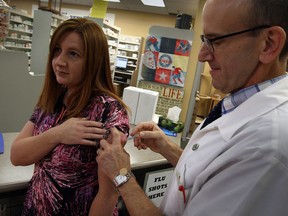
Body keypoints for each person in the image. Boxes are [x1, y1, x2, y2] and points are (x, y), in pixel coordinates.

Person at [94, 0, 288, 215]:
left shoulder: (264, 147)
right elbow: (207, 176)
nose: (202, 55)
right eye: (205, 39)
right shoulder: (242, 99)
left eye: (215, 40)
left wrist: (122, 175)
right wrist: (167, 148)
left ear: (268, 44)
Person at [10, 18, 130, 216]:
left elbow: (108, 195)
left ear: (93, 61)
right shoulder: (52, 100)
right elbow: (17, 155)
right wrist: (57, 134)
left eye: (73, 54)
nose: (59, 62)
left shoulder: (108, 111)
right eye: (57, 50)